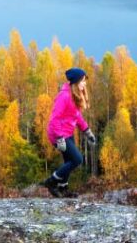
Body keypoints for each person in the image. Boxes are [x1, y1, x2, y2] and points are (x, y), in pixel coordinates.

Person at [42, 67, 97, 198]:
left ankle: (63, 188)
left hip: (67, 133)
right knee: (77, 159)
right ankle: (51, 181)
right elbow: (54, 119)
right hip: (58, 134)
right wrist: (59, 138)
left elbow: (77, 116)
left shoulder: (75, 96)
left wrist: (87, 131)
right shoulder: (64, 96)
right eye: (83, 81)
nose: (85, 84)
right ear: (76, 82)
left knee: (69, 160)